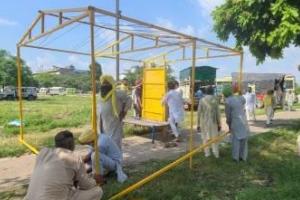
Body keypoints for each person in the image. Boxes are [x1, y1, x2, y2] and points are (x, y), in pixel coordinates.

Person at [24, 130, 103, 200]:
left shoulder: (43, 153)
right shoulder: (75, 158)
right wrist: (95, 180)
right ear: (71, 145)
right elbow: (86, 185)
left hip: (30, 198)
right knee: (98, 191)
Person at [98, 75, 132, 150]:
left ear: (111, 84)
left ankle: (116, 160)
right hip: (103, 123)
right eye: (103, 83)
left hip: (114, 121)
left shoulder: (118, 93)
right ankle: (109, 159)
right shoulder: (100, 95)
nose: (104, 85)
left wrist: (124, 112)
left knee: (115, 142)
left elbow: (129, 99)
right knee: (104, 141)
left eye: (107, 83)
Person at [224, 88, 249, 162]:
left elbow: (228, 116)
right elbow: (244, 100)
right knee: (244, 139)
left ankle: (236, 158)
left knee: (236, 140)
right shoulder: (240, 98)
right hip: (244, 121)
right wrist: (239, 92)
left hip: (236, 122)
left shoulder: (228, 101)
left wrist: (229, 124)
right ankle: (243, 157)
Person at [197, 86, 221, 158]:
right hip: (213, 121)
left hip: (204, 122)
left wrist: (198, 124)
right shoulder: (215, 99)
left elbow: (199, 113)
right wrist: (219, 124)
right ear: (212, 91)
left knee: (205, 138)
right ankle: (216, 153)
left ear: (205, 92)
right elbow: (218, 113)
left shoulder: (202, 100)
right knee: (215, 138)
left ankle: (207, 153)